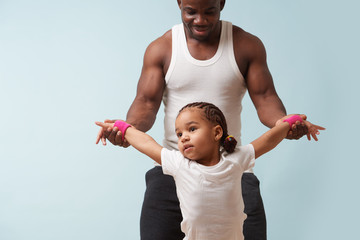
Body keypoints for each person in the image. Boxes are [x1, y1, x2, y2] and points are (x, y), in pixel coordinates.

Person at [96, 0, 313, 239]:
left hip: (231, 170)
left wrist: (285, 125)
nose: (200, 20)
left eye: (209, 11)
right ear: (179, 3)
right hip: (172, 171)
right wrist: (129, 131)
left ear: (221, 3)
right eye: (191, 12)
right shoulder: (162, 48)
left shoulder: (246, 45)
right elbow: (146, 103)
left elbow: (265, 97)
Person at [95, 102, 324, 240]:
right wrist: (122, 127)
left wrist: (293, 121)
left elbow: (269, 139)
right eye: (179, 133)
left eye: (191, 129)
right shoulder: (178, 163)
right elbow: (146, 142)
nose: (183, 136)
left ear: (217, 133)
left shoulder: (237, 158)